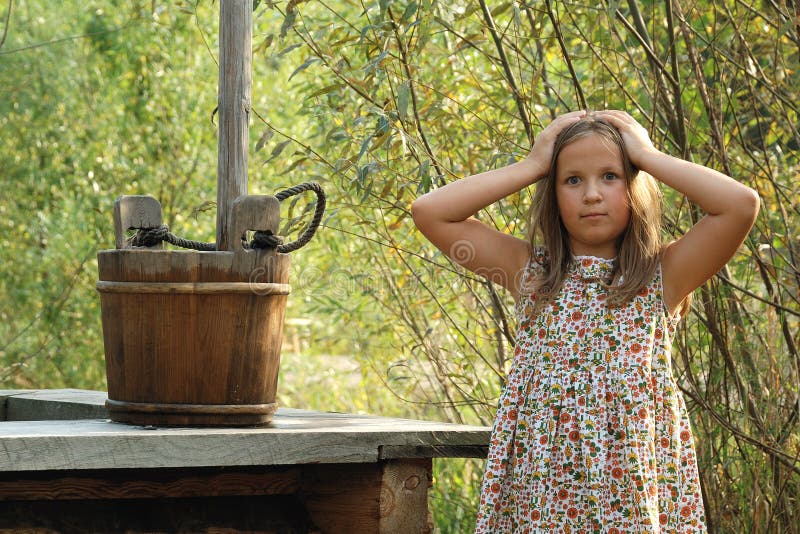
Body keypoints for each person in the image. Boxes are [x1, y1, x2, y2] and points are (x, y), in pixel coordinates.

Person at [411, 110, 759, 532]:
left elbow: (740, 206)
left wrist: (647, 155)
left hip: (629, 493)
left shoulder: (663, 276)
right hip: (541, 495)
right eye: (572, 180)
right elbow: (431, 212)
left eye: (610, 176)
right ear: (553, 195)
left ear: (635, 186)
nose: (591, 194)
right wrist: (532, 166)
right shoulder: (531, 274)